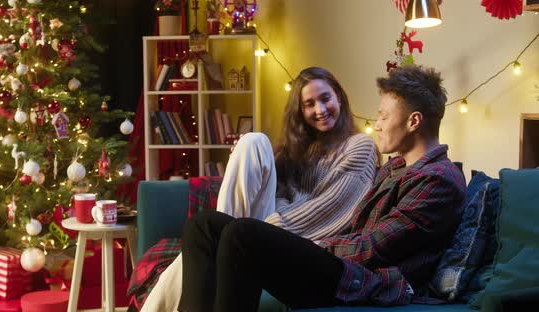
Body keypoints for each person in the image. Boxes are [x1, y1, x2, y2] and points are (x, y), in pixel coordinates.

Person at [176, 65, 467, 312]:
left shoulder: (438, 179)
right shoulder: (395, 168)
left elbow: (370, 249)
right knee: (204, 226)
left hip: (365, 282)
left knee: (243, 235)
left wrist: (304, 245)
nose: (376, 125)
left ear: (414, 121)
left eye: (383, 116)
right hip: (341, 266)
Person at [141, 67, 378, 311]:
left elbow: (333, 207)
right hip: (264, 229)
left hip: (303, 241)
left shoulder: (360, 145)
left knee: (254, 142)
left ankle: (219, 243)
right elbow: (276, 193)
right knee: (203, 221)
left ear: (338, 96)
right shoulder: (298, 150)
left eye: (325, 98)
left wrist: (266, 228)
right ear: (300, 111)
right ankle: (224, 239)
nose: (320, 110)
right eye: (309, 104)